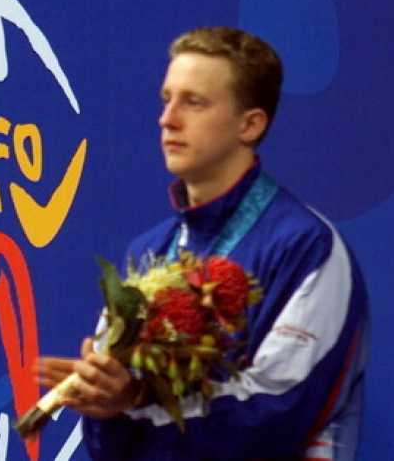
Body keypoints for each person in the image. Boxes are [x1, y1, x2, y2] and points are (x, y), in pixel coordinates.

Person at [38, 27, 369, 460]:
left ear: (250, 124)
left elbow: (275, 415)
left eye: (194, 102)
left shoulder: (306, 247)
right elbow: (113, 447)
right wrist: (103, 401)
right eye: (166, 99)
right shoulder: (148, 253)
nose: (167, 118)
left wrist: (136, 400)